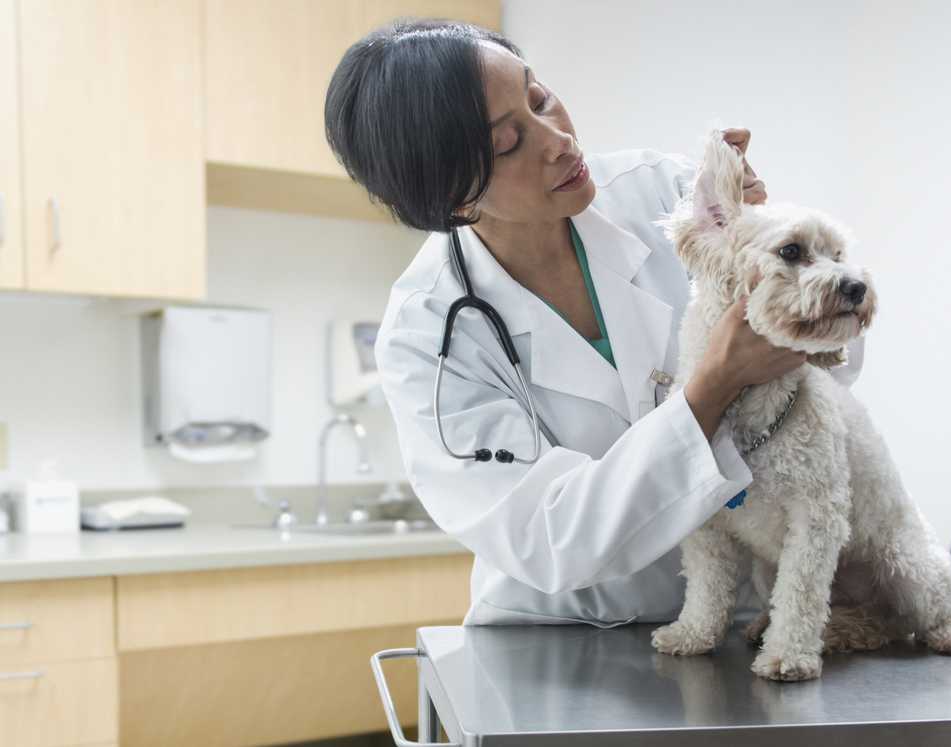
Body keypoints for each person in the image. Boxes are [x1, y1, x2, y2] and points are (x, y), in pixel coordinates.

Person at [324, 19, 864, 626]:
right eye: (508, 143)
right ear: (453, 198)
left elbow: (838, 364)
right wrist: (712, 388)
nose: (557, 139)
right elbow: (552, 539)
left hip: (731, 623)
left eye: (539, 98)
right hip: (558, 640)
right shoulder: (429, 335)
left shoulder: (665, 194)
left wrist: (788, 275)